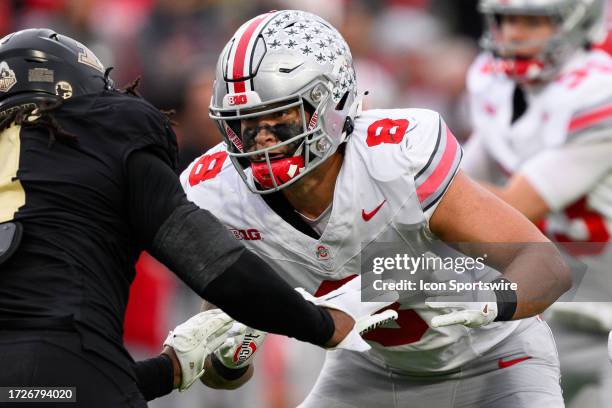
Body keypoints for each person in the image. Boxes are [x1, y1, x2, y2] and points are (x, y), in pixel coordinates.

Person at [181, 10, 571, 407]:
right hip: (372, 370)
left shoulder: (395, 158)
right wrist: (228, 358)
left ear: (332, 102)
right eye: (246, 121)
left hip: (496, 358)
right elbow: (221, 367)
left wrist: (488, 300)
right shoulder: (220, 193)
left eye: (280, 115)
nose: (262, 138)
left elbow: (547, 266)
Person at [0, 28, 391, 408]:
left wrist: (170, 370)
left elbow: (38, 390)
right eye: (250, 123)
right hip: (76, 354)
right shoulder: (192, 174)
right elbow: (212, 265)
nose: (264, 139)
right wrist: (322, 324)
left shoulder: (388, 145)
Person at [462, 1, 612, 407]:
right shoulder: (490, 80)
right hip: (558, 306)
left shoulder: (599, 91)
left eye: (532, 20)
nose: (513, 33)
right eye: (506, 19)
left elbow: (512, 205)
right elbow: (460, 172)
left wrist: (407, 172)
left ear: (578, 20)